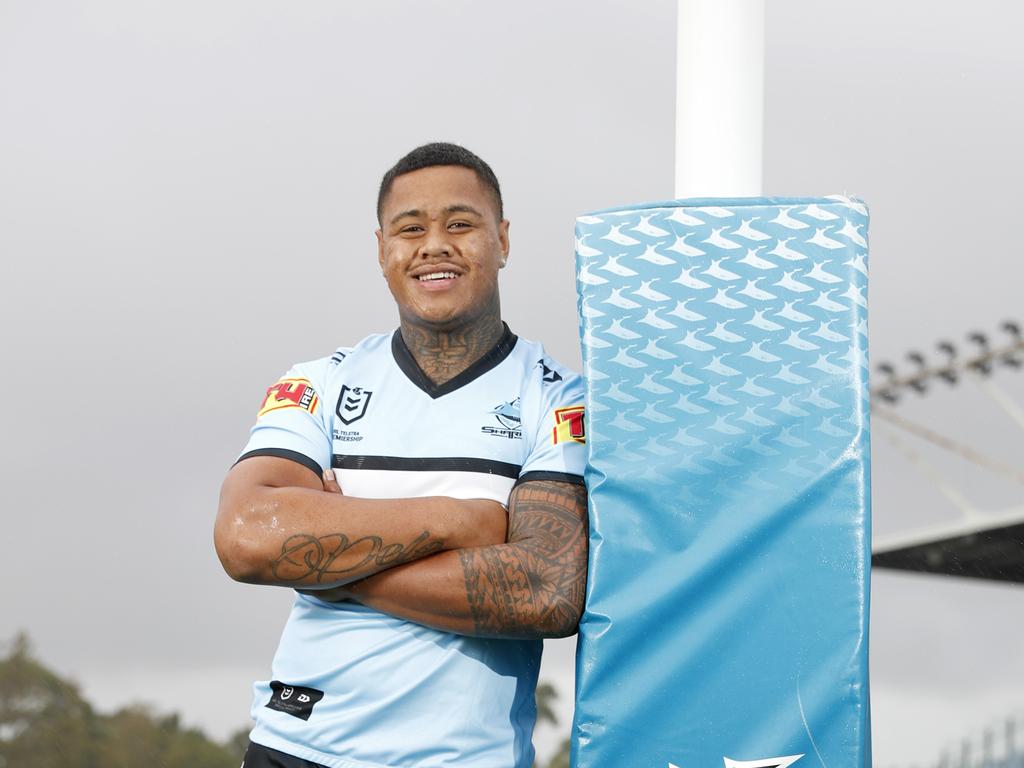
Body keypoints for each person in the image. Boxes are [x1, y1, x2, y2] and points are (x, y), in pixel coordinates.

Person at [215, 142, 589, 768]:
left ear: (502, 240)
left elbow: (545, 590)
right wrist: (461, 521)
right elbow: (247, 535)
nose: (434, 245)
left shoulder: (560, 398)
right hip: (292, 746)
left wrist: (323, 564)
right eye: (410, 228)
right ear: (383, 252)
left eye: (460, 224)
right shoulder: (318, 382)